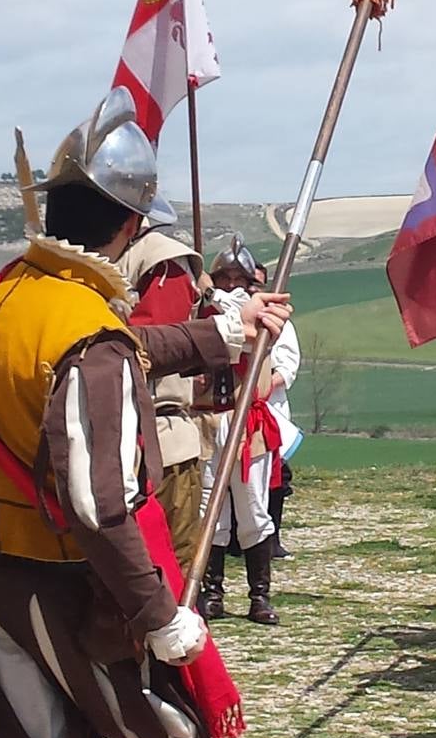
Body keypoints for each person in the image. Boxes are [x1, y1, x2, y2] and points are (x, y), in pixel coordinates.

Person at [0, 87, 278, 738]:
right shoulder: (87, 330)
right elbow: (99, 507)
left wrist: (223, 331)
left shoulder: (11, 291)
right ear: (131, 225)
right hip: (68, 592)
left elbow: (120, 349)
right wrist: (161, 618)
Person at [194, 238, 286, 625]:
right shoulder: (200, 314)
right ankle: (212, 593)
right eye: (223, 277)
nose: (231, 284)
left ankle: (259, 597)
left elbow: (237, 315)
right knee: (208, 514)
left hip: (247, 422)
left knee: (252, 511)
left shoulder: (262, 314)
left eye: (238, 278)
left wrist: (213, 290)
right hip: (207, 422)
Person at [113, 216, 207, 573]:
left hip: (160, 442)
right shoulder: (99, 255)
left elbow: (155, 347)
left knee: (168, 569)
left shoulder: (161, 260)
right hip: (109, 434)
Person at [255, 261, 301, 561]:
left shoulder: (279, 321)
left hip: (267, 408)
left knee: (274, 477)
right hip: (224, 408)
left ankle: (270, 539)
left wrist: (258, 386)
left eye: (255, 283)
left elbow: (287, 365)